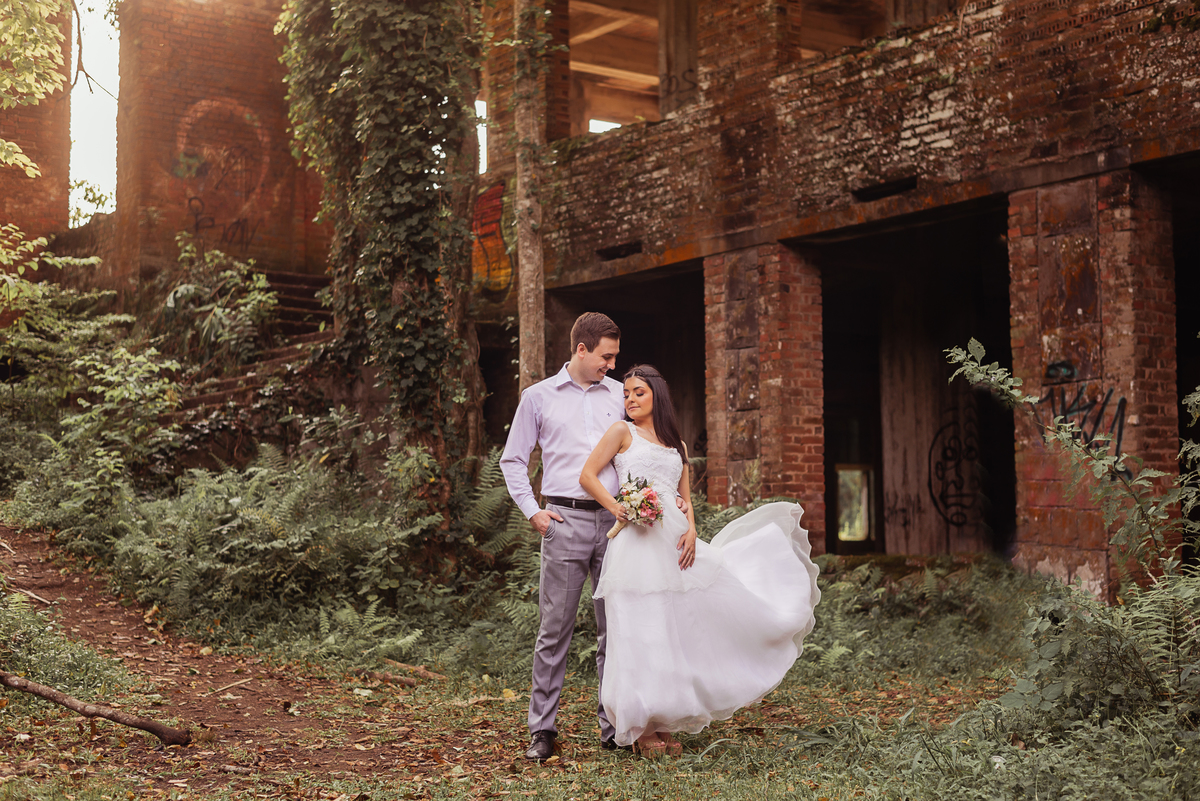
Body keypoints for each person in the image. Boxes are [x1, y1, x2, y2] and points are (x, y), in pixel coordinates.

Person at [579, 364, 821, 756]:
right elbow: (588, 475)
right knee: (640, 627)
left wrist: (691, 529)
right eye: (626, 394)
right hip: (636, 544)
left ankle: (663, 719)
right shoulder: (622, 432)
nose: (630, 400)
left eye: (639, 392)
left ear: (657, 394)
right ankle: (641, 726)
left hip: (675, 542)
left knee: (671, 627)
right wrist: (618, 507)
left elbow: (685, 498)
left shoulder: (678, 445)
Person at [501, 313, 687, 761]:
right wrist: (534, 513)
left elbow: (645, 447)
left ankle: (615, 726)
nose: (612, 364)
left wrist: (670, 495)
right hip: (564, 520)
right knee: (555, 629)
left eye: (615, 357)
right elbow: (513, 460)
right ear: (582, 350)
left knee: (618, 628)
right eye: (607, 356)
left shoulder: (620, 396)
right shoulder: (538, 397)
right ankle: (542, 729)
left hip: (622, 527)